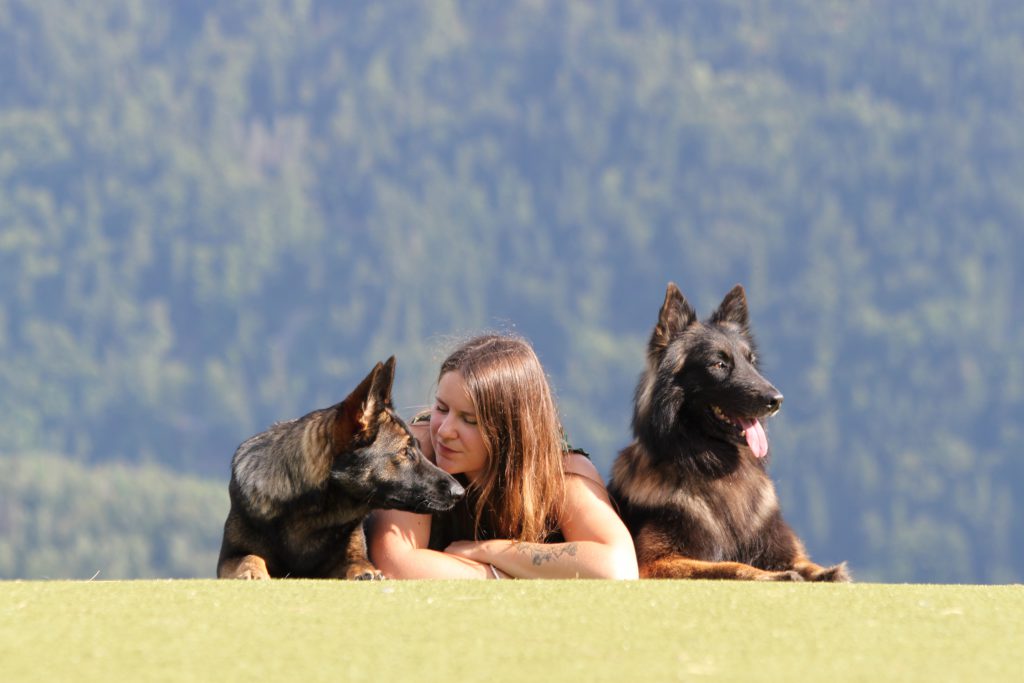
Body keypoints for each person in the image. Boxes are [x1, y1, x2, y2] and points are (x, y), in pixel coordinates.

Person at [368, 334, 639, 579]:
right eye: (442, 408)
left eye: (469, 420)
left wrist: (494, 551)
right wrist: (503, 576)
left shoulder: (563, 472)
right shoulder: (414, 453)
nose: (445, 430)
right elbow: (396, 564)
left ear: (510, 431)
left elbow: (617, 567)